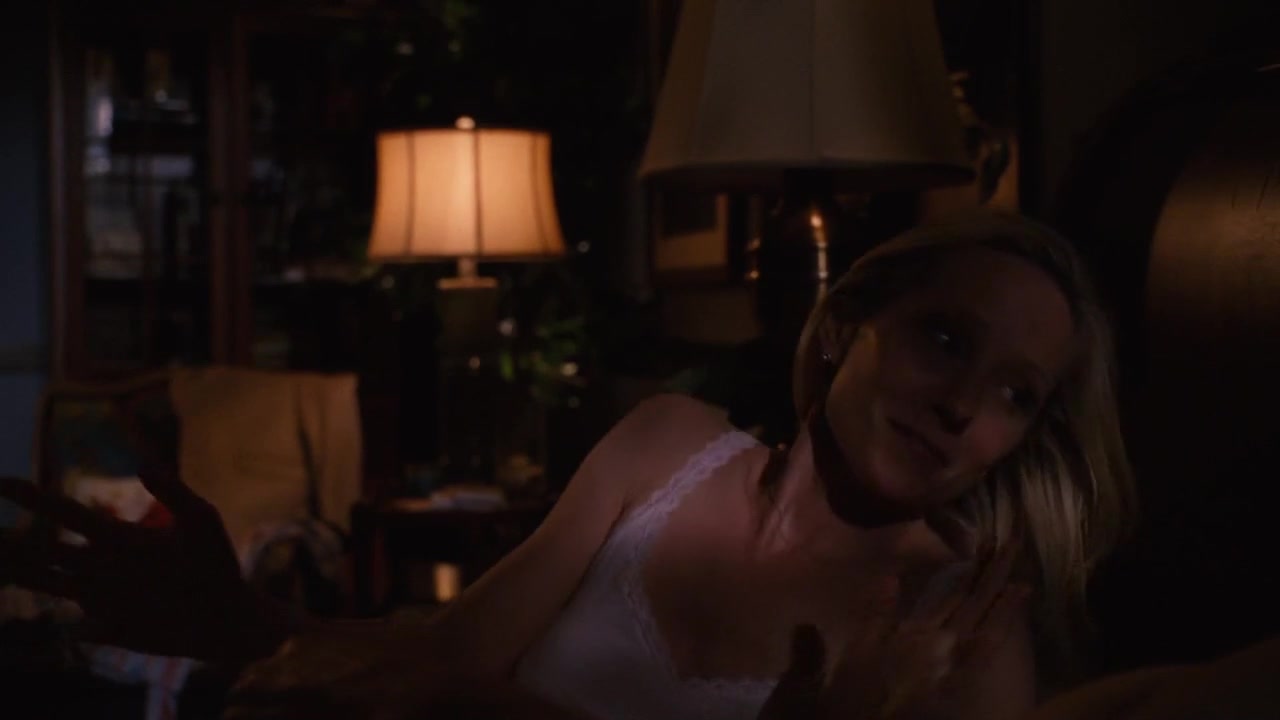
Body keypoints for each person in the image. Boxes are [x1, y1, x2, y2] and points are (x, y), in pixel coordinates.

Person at [1, 210, 1275, 720]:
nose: (960, 408)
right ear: (843, 326)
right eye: (945, 339)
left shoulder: (954, 627)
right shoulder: (666, 443)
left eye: (1013, 397)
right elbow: (447, 663)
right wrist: (241, 625)